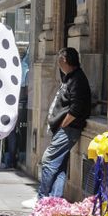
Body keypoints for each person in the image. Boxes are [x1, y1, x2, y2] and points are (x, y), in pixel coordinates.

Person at [37, 46, 92, 198]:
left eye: (59, 59)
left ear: (64, 60)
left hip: (68, 129)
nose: (57, 63)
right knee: (59, 167)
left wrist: (63, 124)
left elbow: (77, 107)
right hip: (63, 129)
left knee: (48, 161)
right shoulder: (69, 77)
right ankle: (54, 201)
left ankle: (42, 198)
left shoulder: (77, 79)